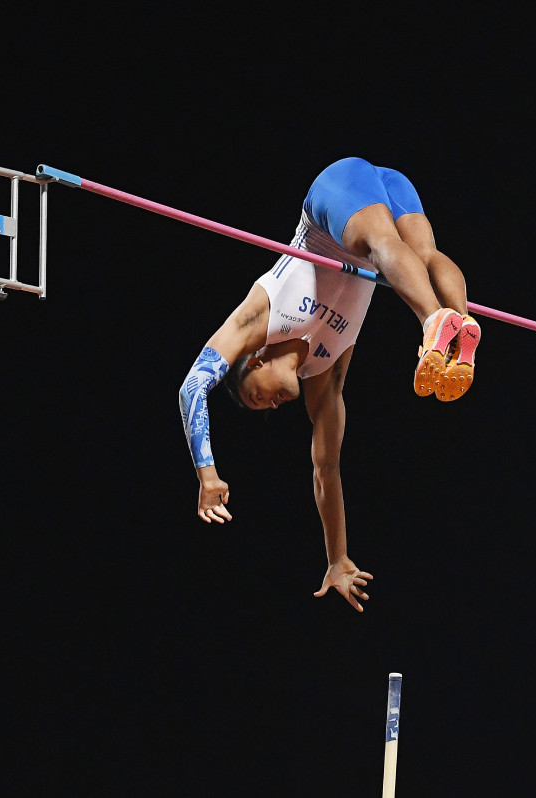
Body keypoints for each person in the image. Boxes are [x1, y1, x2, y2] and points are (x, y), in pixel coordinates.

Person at [177, 157, 481, 612]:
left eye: (256, 394)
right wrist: (336, 559)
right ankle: (460, 330)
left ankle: (434, 320)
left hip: (334, 195)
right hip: (391, 195)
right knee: (424, 257)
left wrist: (206, 473)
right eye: (268, 408)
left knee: (378, 244)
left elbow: (192, 386)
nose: (272, 404)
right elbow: (326, 470)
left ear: (254, 360)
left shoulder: (259, 321)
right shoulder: (324, 376)